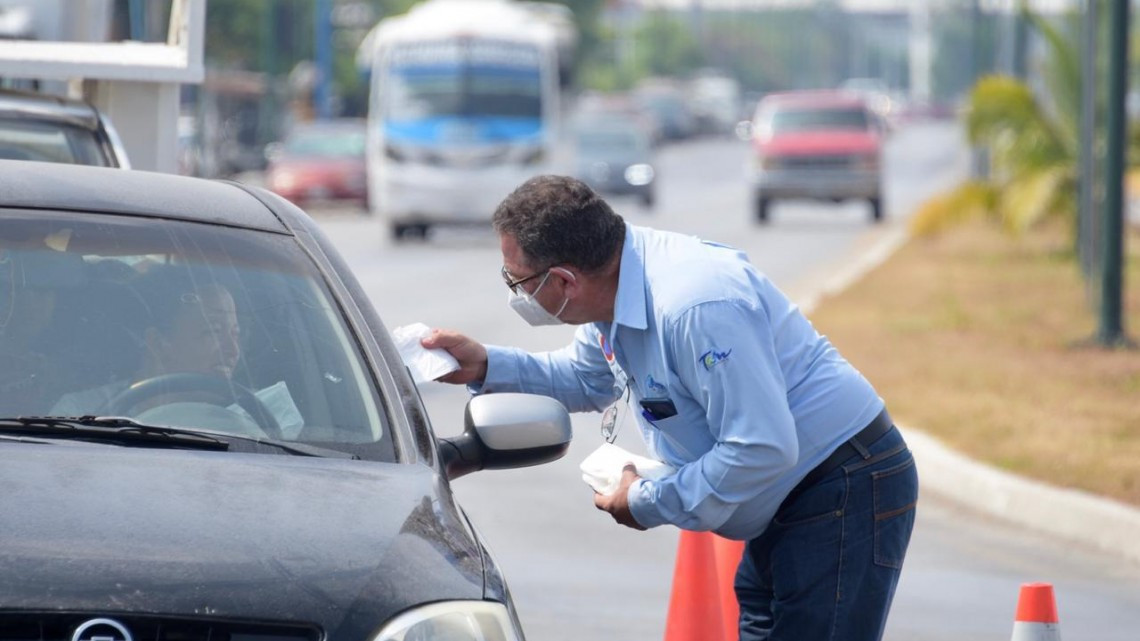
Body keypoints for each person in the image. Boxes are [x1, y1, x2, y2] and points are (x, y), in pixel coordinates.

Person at [422, 175, 919, 641]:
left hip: (837, 484)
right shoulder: (614, 284)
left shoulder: (695, 306)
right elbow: (586, 377)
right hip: (780, 499)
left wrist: (647, 501)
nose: (518, 296)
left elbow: (761, 448)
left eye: (518, 283)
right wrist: (485, 365)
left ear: (564, 281)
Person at [52, 271, 302, 438]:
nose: (232, 351)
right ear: (159, 343)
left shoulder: (258, 421)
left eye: (236, 334)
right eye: (212, 332)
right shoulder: (80, 414)